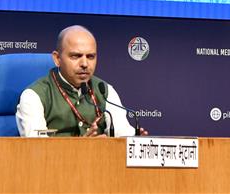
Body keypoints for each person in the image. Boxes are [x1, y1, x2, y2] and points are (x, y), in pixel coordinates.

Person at [16, 25, 147, 137]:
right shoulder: (33, 96)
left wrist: (133, 141)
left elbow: (121, 131)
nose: (84, 63)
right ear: (57, 59)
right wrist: (81, 147)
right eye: (76, 56)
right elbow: (36, 148)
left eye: (90, 56)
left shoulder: (105, 91)